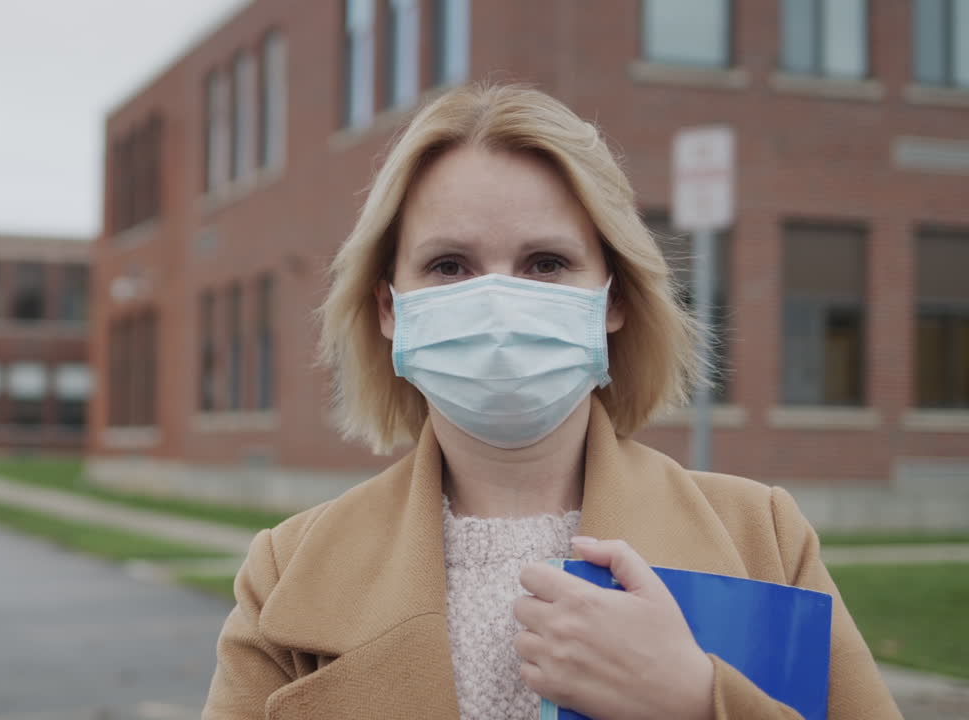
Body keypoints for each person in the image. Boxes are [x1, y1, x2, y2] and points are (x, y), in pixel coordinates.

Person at [202, 83, 901, 720]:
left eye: (546, 263)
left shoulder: (762, 537)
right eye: (450, 265)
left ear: (615, 298)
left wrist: (696, 702)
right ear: (390, 307)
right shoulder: (285, 572)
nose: (500, 302)